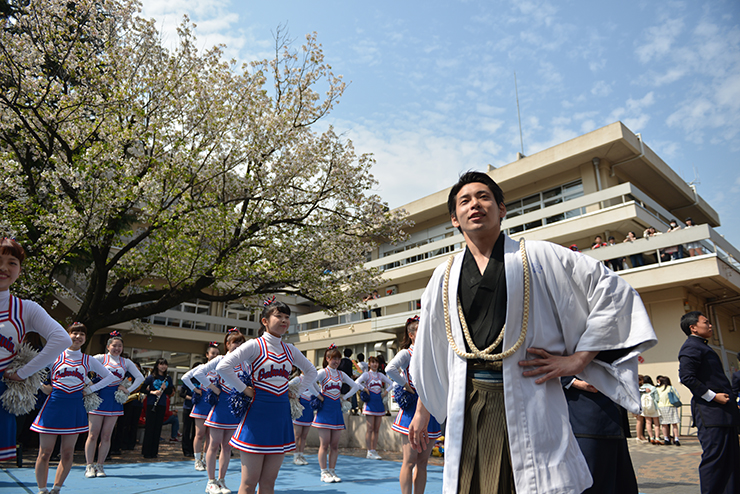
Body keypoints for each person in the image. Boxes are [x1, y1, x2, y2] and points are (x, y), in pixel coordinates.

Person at [407, 171, 657, 494]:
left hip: (531, 399)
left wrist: (578, 360)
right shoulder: (443, 276)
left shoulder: (540, 256)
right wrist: (422, 412)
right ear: (454, 219)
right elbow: (433, 350)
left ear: (502, 209)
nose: (475, 205)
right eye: (464, 201)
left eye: (484, 197)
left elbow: (612, 291)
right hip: (467, 406)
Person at [218, 299, 319, 494]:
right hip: (256, 416)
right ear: (264, 321)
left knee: (269, 483)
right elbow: (224, 367)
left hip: (280, 416)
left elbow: (311, 372)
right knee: (249, 483)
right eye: (278, 316)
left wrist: (295, 390)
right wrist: (244, 389)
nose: (284, 320)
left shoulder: (290, 349)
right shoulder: (255, 346)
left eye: (287, 317)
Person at [0, 238, 72, 463]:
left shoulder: (25, 308)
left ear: (19, 270)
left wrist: (22, 373)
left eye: (12, 262)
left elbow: (61, 339)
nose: (4, 267)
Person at [31, 322, 114, 494]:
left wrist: (90, 389)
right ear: (67, 335)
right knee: (45, 453)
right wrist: (42, 386)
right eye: (74, 333)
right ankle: (42, 489)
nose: (78, 336)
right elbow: (31, 368)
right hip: (53, 406)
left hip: (74, 407)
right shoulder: (54, 356)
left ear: (85, 338)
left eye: (82, 334)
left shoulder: (88, 360)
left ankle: (56, 489)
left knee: (67, 453)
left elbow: (109, 376)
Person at [678, 311, 740, 494]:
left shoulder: (703, 346)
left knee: (731, 461)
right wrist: (713, 396)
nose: (710, 325)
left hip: (723, 414)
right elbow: (687, 377)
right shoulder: (691, 347)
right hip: (711, 414)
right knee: (715, 461)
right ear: (693, 327)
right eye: (706, 322)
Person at [387, 316, 442, 494]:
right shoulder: (407, 353)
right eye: (420, 330)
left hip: (430, 409)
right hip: (411, 411)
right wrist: (406, 386)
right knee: (409, 461)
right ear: (411, 335)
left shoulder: (432, 353)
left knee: (423, 462)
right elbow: (390, 369)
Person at [561, 376, 638, 494]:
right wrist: (572, 382)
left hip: (615, 415)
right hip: (585, 413)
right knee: (590, 479)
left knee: (620, 482)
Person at [84, 330, 144, 478]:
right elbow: (81, 368)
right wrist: (89, 383)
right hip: (98, 399)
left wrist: (127, 390)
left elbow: (140, 377)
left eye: (120, 346)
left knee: (106, 435)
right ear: (108, 346)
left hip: (114, 401)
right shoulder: (99, 358)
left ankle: (100, 465)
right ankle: (89, 466)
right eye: (114, 345)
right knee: (93, 434)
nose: (117, 349)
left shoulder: (126, 362)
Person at [194, 329, 247, 494]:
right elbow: (197, 373)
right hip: (219, 408)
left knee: (227, 447)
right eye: (235, 342)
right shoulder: (220, 359)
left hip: (234, 409)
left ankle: (222, 480)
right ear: (228, 344)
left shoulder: (246, 363)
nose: (238, 346)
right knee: (214, 444)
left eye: (241, 342)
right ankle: (210, 482)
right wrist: (213, 389)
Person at [312, 346, 361, 483]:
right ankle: (324, 472)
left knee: (334, 445)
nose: (337, 361)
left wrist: (344, 397)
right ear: (327, 359)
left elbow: (356, 386)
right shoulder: (322, 372)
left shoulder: (341, 374)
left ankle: (332, 471)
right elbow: (310, 381)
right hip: (325, 411)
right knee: (324, 444)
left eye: (338, 359)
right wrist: (319, 395)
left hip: (336, 410)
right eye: (334, 359)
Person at [182, 341, 220, 471]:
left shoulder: (221, 368)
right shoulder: (202, 367)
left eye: (217, 354)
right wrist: (195, 389)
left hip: (214, 404)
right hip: (202, 404)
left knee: (211, 435)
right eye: (212, 353)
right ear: (207, 354)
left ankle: (205, 459)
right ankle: (197, 460)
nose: (215, 356)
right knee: (199, 434)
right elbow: (185, 377)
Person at [355, 356, 393, 459]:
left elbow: (392, 383)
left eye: (376, 362)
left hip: (379, 404)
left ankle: (374, 450)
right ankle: (369, 451)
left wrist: (385, 392)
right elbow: (356, 382)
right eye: (372, 362)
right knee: (370, 428)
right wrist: (364, 389)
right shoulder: (366, 375)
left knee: (376, 429)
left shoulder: (380, 375)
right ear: (369, 364)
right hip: (370, 404)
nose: (375, 364)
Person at [140, 357, 173, 459]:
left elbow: (170, 392)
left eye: (165, 364)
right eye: (161, 364)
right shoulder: (151, 377)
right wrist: (152, 392)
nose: (163, 366)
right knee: (150, 428)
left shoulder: (168, 378)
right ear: (157, 365)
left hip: (162, 404)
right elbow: (142, 389)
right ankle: (146, 452)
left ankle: (154, 452)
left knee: (158, 428)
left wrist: (165, 388)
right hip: (151, 404)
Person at [290, 369, 316, 466]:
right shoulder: (298, 379)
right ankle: (295, 455)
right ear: (301, 368)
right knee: (297, 435)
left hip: (309, 408)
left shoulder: (312, 380)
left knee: (304, 436)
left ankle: (301, 454)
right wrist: (293, 395)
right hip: (300, 408)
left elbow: (318, 390)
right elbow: (287, 386)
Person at [656, 375, 681, 445]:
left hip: (661, 407)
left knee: (664, 424)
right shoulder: (671, 388)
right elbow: (678, 396)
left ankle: (666, 438)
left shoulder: (658, 389)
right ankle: (676, 439)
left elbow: (656, 398)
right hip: (671, 406)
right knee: (674, 424)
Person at [180, 363, 199, 457]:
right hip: (188, 407)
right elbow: (181, 393)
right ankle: (186, 450)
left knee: (196, 431)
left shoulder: (203, 379)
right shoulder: (188, 380)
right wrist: (191, 398)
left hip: (198, 409)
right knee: (186, 429)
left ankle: (193, 449)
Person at [640, 375, 661, 444]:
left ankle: (651, 437)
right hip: (653, 407)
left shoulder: (641, 388)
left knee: (648, 422)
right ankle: (657, 438)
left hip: (645, 407)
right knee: (656, 423)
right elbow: (657, 398)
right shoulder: (653, 388)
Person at [338, 348, 358, 414]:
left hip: (339, 380)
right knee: (350, 395)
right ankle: (353, 408)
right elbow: (352, 373)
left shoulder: (340, 361)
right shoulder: (351, 362)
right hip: (348, 381)